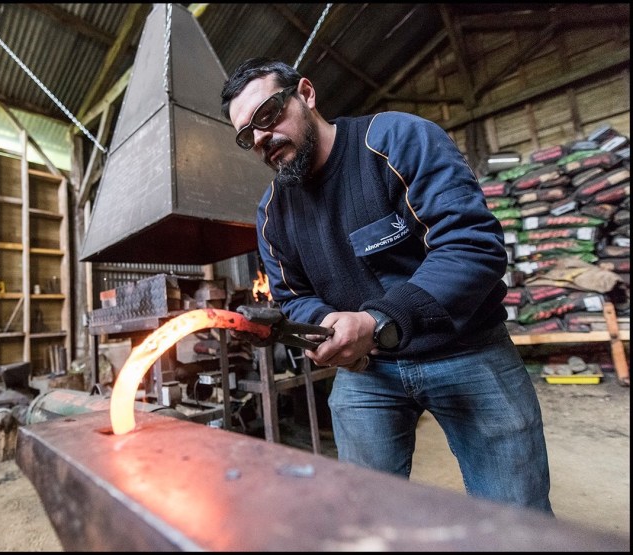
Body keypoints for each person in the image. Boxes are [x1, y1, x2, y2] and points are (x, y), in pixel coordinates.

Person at [220, 57, 554, 514]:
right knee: (365, 516)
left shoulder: (397, 140)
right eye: (247, 135)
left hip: (468, 348)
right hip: (369, 371)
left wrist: (376, 320)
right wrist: (325, 326)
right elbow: (293, 296)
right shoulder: (273, 212)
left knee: (518, 519)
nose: (261, 137)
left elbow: (471, 246)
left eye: (268, 114)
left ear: (306, 94)